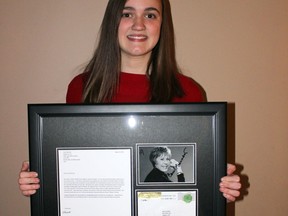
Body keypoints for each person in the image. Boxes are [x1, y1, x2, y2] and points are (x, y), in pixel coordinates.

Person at [18, 0, 241, 202]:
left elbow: (192, 183)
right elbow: (75, 168)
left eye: (150, 15)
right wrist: (41, 178)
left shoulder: (188, 91)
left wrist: (219, 187)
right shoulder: (81, 87)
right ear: (112, 22)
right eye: (127, 14)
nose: (139, 24)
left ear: (162, 26)